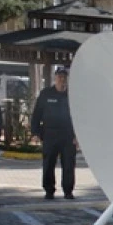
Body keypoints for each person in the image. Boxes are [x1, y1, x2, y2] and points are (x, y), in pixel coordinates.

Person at [31, 67, 77, 200]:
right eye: (59, 76)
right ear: (55, 77)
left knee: (68, 164)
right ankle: (49, 190)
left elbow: (80, 117)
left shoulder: (72, 94)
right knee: (48, 163)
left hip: (68, 136)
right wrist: (35, 132)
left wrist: (77, 137)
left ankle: (68, 191)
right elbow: (36, 115)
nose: (62, 79)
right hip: (50, 134)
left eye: (64, 77)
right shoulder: (46, 94)